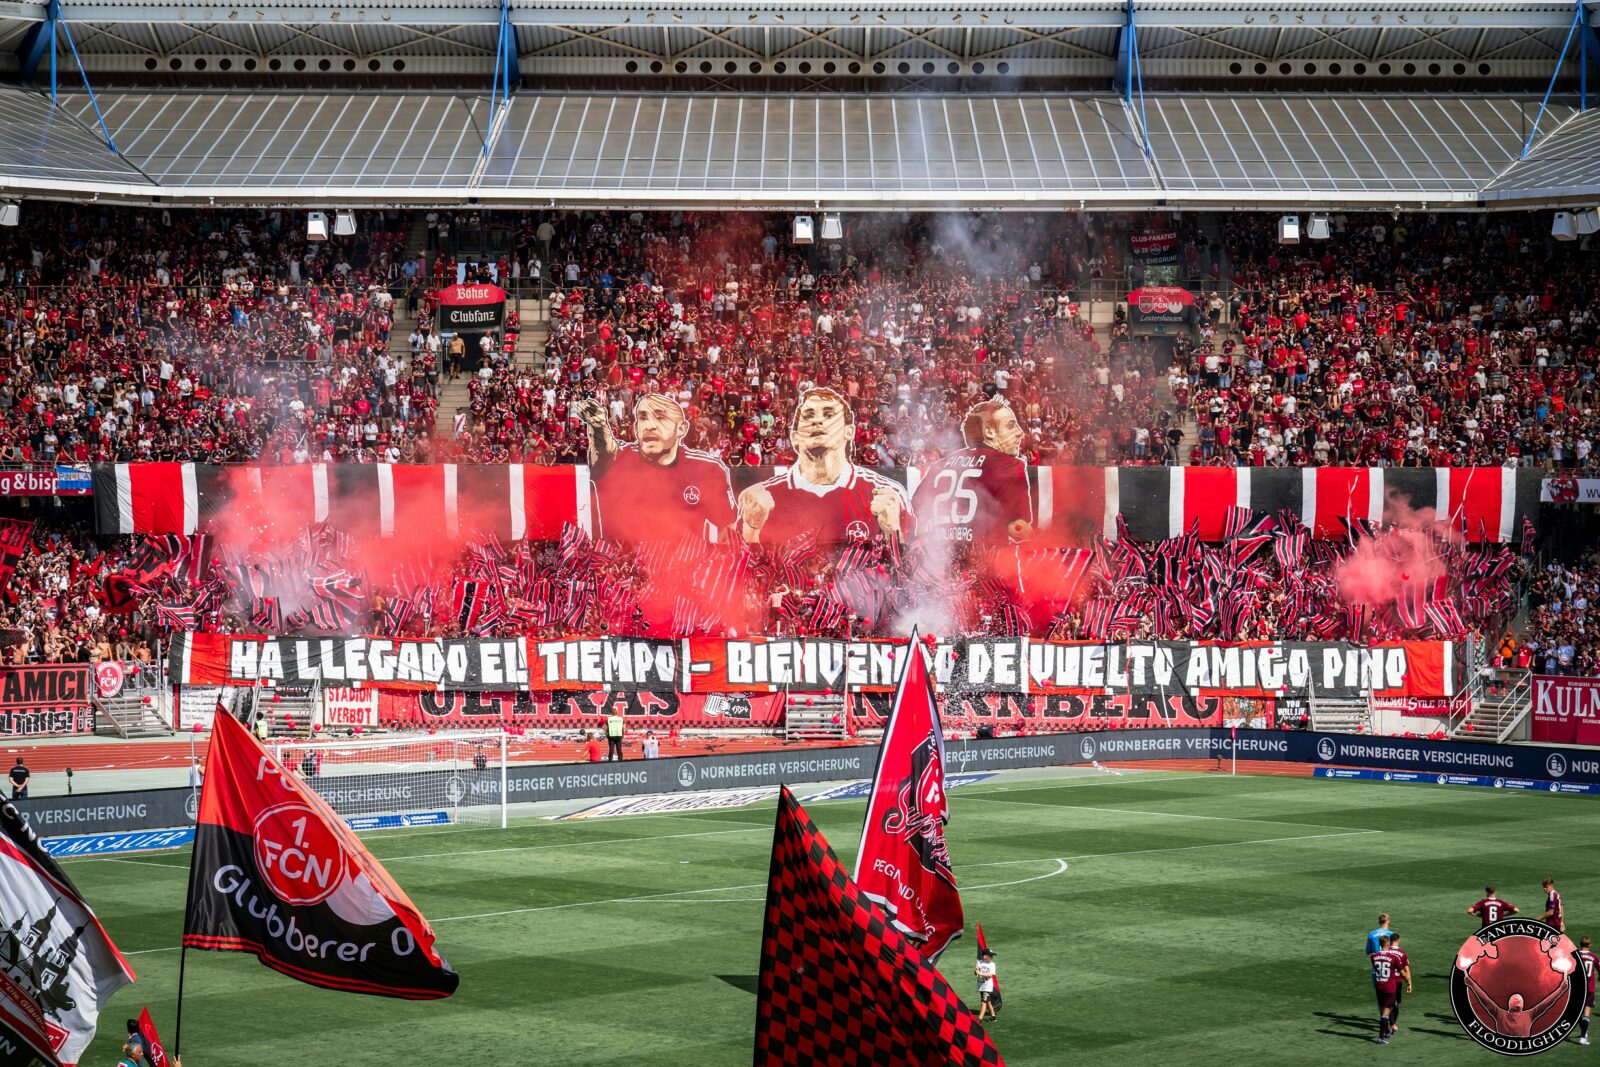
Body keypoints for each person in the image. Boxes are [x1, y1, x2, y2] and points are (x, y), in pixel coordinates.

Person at [737, 388, 914, 545]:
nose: (817, 421)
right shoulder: (761, 498)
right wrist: (751, 529)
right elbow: (732, 571)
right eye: (808, 416)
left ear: (849, 431)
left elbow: (918, 570)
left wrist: (893, 532)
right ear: (795, 436)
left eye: (829, 415)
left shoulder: (888, 493)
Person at [576, 392, 736, 544]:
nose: (650, 426)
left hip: (683, 566)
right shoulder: (619, 458)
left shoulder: (707, 469)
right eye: (643, 418)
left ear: (681, 429)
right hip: (620, 566)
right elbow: (604, 452)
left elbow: (727, 530)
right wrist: (599, 426)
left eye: (660, 417)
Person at [911, 399, 1033, 544]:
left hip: (941, 558)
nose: (1020, 433)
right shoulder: (1010, 466)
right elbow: (1017, 527)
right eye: (1011, 425)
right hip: (984, 559)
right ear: (989, 432)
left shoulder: (940, 465)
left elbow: (918, 509)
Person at [1369, 933, 1410, 1044]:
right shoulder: (1394, 957)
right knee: (1387, 1011)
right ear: (1388, 943)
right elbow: (1402, 973)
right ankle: (1381, 1037)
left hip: (1379, 986)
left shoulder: (1373, 956)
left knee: (1384, 1009)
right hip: (1389, 987)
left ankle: (1389, 1029)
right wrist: (1408, 981)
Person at [1576, 935, 1596, 1045]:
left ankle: (1584, 1030)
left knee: (1578, 1012)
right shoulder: (1594, 957)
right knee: (1586, 1012)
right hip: (1590, 988)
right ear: (1589, 945)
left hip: (1577, 988)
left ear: (1580, 944)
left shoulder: (1575, 956)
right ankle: (1583, 1037)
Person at [975, 949, 998, 1023]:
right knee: (988, 1002)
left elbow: (990, 975)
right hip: (981, 985)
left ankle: (979, 1019)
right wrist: (976, 971)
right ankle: (993, 1017)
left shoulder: (992, 964)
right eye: (990, 956)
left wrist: (980, 973)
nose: (991, 958)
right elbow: (976, 974)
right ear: (985, 956)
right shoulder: (979, 963)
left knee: (983, 1002)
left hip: (987, 986)